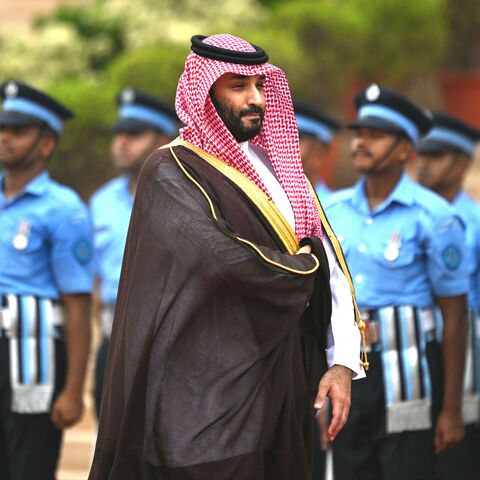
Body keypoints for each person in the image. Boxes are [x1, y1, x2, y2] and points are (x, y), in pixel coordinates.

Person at [89, 34, 365, 480]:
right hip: (201, 393)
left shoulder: (281, 168)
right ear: (205, 91)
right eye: (238, 86)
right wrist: (303, 266)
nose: (255, 98)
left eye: (260, 85)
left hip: (281, 377)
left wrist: (341, 362)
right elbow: (222, 258)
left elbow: (329, 261)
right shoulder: (171, 170)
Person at [325, 84, 469, 480]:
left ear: (405, 149)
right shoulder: (332, 211)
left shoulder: (434, 216)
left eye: (376, 135)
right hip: (350, 368)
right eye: (358, 134)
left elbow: (454, 315)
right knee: (352, 470)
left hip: (410, 367)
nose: (361, 143)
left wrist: (452, 409)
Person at [0, 81, 94, 480]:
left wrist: (73, 391)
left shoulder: (64, 208)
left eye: (18, 131)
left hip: (31, 350)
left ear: (46, 145)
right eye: (2, 128)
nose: (5, 137)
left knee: (27, 465)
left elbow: (77, 302)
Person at [90, 88, 178, 416]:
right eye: (118, 134)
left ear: (163, 139)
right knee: (110, 447)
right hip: (113, 337)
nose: (122, 142)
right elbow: (96, 278)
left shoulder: (188, 199)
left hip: (167, 340)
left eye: (135, 134)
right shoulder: (101, 202)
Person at [416, 112, 480, 479]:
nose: (423, 165)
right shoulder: (416, 217)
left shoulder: (473, 222)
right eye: (421, 155)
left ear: (461, 164)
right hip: (418, 353)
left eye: (436, 157)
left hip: (466, 354)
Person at [294, 101, 341, 203]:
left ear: (319, 154)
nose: (282, 147)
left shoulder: (334, 211)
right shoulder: (260, 199)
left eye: (295, 139)